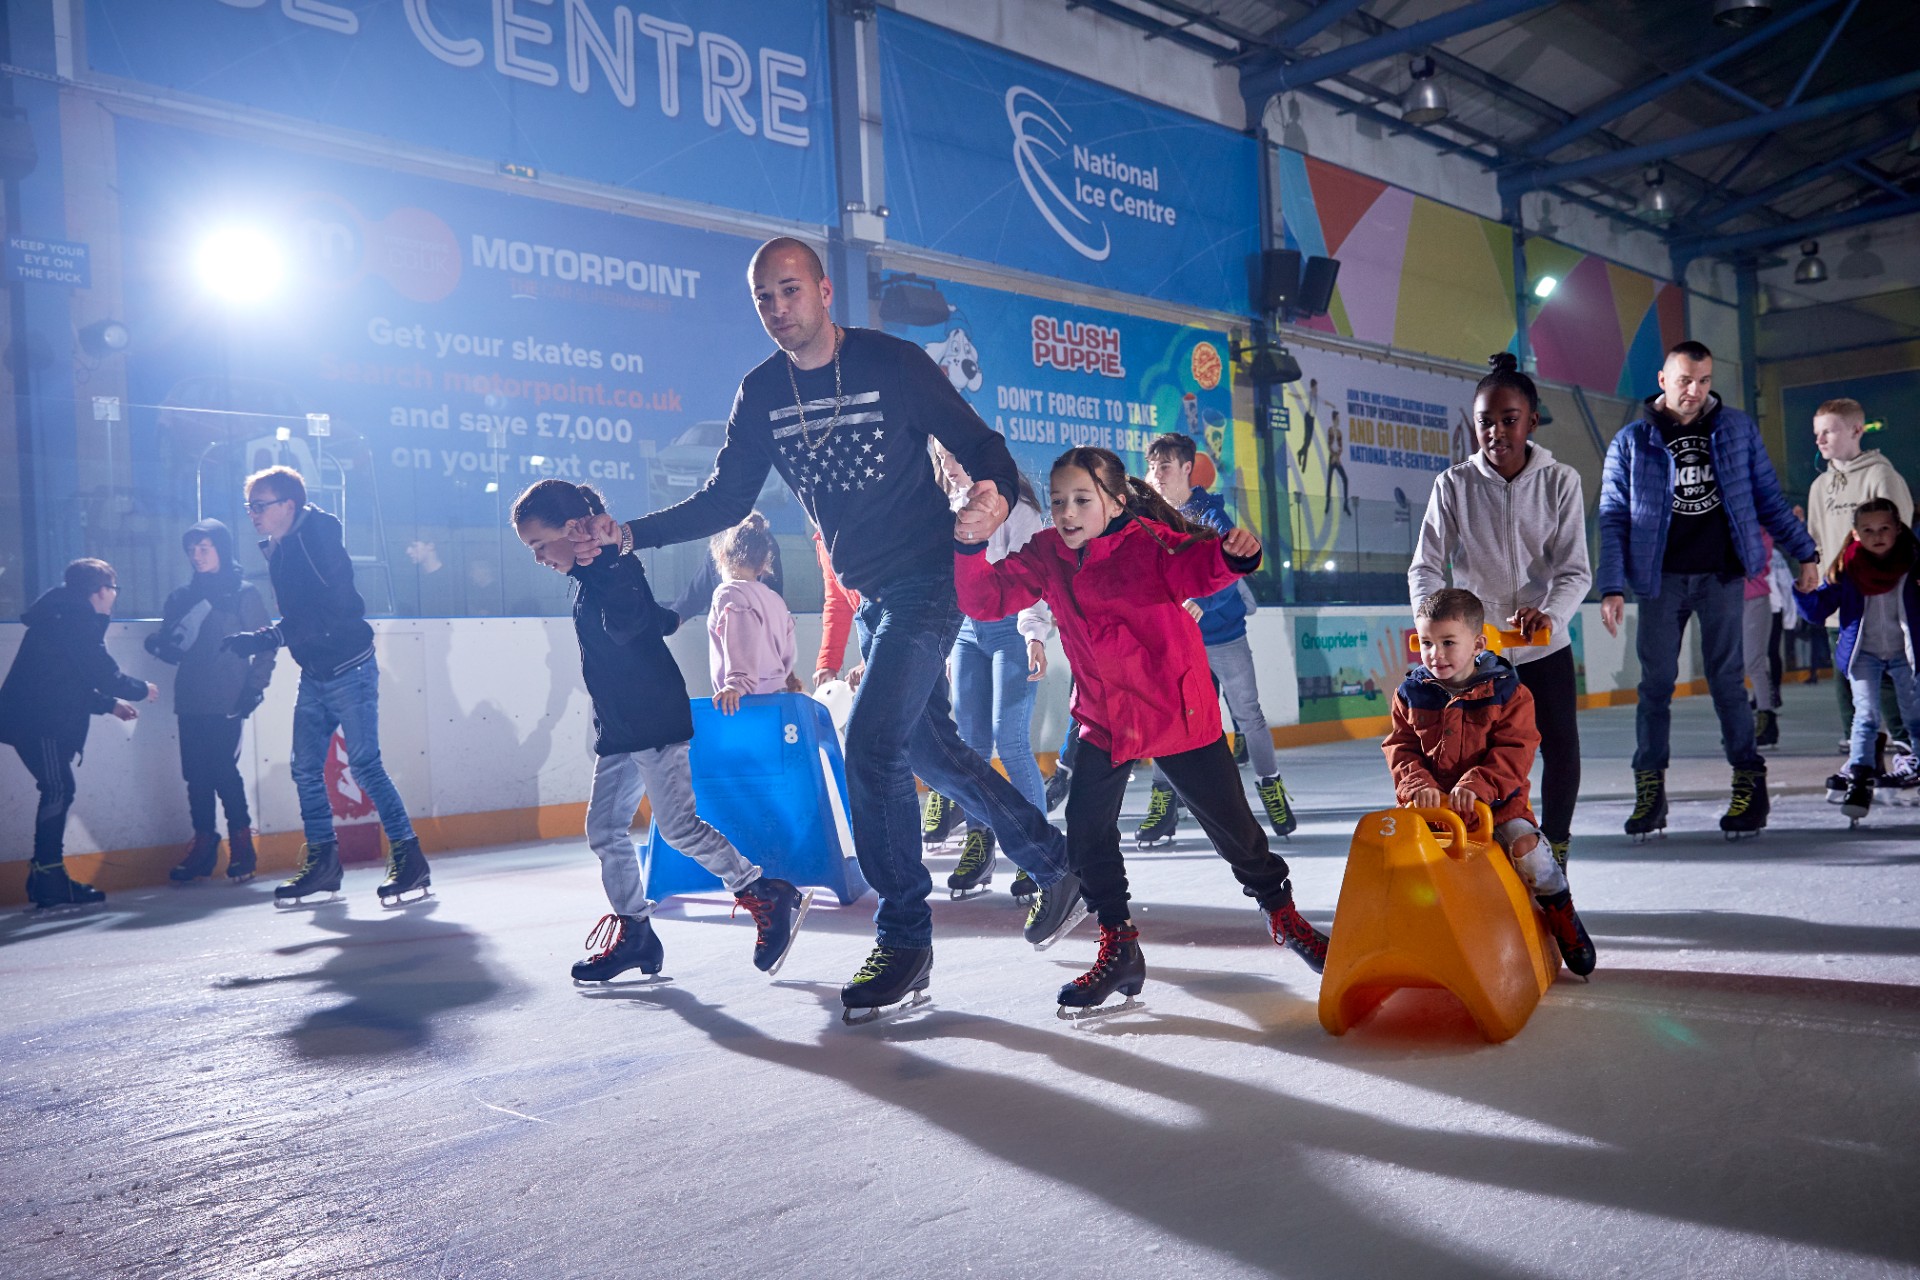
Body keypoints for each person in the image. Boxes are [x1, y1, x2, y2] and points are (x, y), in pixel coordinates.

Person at [566, 236, 1085, 1023]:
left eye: (790, 290)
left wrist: (994, 496)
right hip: (872, 595)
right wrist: (634, 533)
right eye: (764, 299)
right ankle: (1054, 863)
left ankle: (904, 938)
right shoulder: (761, 395)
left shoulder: (893, 364)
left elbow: (983, 445)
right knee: (928, 751)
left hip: (929, 580)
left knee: (871, 745)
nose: (779, 309)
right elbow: (725, 499)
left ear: (823, 291)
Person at [956, 446, 1329, 1016]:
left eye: (1082, 500)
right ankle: (1120, 947)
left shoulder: (1150, 543)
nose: (1067, 512)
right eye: (1058, 501)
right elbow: (986, 598)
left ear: (1115, 502)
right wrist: (968, 544)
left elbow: (1196, 565)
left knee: (1235, 833)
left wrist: (1234, 555)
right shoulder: (1048, 553)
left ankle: (1284, 917)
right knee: (1087, 833)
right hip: (1104, 718)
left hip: (1173, 712)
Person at [512, 480, 811, 980]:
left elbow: (627, 623)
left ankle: (763, 892)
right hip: (620, 729)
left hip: (652, 721)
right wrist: (660, 609)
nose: (539, 558)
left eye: (540, 544)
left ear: (573, 529)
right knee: (605, 830)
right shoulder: (592, 577)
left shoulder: (613, 569)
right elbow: (656, 621)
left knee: (678, 828)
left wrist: (605, 564)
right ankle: (636, 934)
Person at [1597, 341, 1818, 840]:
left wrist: (1805, 553)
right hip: (1660, 580)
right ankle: (1650, 790)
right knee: (1655, 687)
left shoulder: (1736, 429)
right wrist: (1611, 585)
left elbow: (1768, 499)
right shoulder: (1631, 441)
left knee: (1727, 682)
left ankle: (1749, 784)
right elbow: (1612, 517)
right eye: (1684, 381)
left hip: (1721, 575)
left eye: (1703, 381)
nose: (1694, 391)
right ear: (1662, 380)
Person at [1413, 355, 1592, 871]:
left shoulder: (1560, 481)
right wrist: (1439, 628)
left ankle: (1555, 848)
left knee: (1560, 746)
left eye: (1508, 420)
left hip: (1543, 648)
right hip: (1479, 655)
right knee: (1476, 754)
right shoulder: (1453, 485)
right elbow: (1426, 566)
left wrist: (1550, 616)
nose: (1496, 432)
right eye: (1485, 421)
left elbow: (1575, 570)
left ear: (1531, 421)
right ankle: (1479, 844)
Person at [222, 466, 430, 904]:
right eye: (249, 506)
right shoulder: (282, 547)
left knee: (365, 765)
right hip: (315, 672)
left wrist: (268, 638)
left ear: (287, 505)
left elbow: (335, 610)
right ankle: (324, 864)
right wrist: (274, 637)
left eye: (259, 506)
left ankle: (410, 859)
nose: (252, 514)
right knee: (305, 768)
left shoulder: (317, 540)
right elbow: (303, 617)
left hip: (350, 668)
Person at [1384, 589, 1595, 975]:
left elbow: (1516, 750)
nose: (1436, 654)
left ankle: (1560, 908)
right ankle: (1404, 933)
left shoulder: (1509, 694)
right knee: (1393, 853)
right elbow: (1401, 747)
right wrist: (1417, 786)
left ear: (1478, 645)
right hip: (1432, 811)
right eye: (1427, 643)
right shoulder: (1409, 695)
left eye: (1448, 642)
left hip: (1497, 808)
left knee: (1528, 848)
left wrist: (1478, 785)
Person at [1140, 431, 1296, 847]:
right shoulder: (1151, 518)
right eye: (1152, 467)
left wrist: (1201, 603)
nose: (1156, 475)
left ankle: (1271, 786)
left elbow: (1231, 573)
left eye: (1165, 466)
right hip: (1177, 640)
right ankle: (1164, 802)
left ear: (1187, 468)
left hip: (1223, 637)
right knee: (1171, 719)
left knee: (1247, 713)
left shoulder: (1211, 518)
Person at [930, 441, 1051, 901]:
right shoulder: (946, 507)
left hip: (1011, 627)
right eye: (941, 458)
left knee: (1010, 741)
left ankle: (1037, 851)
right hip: (965, 632)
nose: (949, 467)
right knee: (971, 745)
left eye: (954, 455)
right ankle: (979, 844)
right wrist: (945, 643)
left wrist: (1034, 634)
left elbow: (1034, 576)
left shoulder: (1017, 509)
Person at [0, 559, 157, 908]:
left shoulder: (62, 616)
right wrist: (140, 689)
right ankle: (49, 876)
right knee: (58, 788)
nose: (114, 597)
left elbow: (67, 680)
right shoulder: (76, 619)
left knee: (57, 787)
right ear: (100, 591)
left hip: (35, 717)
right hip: (40, 722)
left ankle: (44, 876)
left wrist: (109, 705)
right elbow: (102, 674)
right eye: (113, 589)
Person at [145, 519, 276, 883]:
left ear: (222, 549)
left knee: (223, 771)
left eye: (205, 548)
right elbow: (173, 645)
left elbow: (266, 644)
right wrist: (157, 644)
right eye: (192, 550)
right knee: (195, 776)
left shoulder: (243, 593)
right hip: (190, 697)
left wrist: (255, 688)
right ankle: (204, 845)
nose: (197, 556)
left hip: (228, 698)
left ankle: (242, 845)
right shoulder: (181, 596)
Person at [1795, 499, 1920, 822]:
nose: (1877, 536)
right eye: (1868, 530)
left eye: (1884, 528)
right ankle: (1860, 779)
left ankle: (1916, 765)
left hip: (1906, 654)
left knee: (1915, 715)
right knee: (1865, 717)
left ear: (1897, 529)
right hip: (1864, 654)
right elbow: (1819, 610)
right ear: (1856, 534)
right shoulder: (1847, 568)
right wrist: (1804, 592)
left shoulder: (1913, 564)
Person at [1806, 398, 1913, 753]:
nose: (1820, 440)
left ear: (1856, 430)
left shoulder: (1880, 476)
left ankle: (1904, 738)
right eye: (1817, 433)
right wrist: (1819, 579)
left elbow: (1897, 533)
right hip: (1839, 593)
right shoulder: (1820, 487)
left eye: (1829, 431)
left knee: (1887, 667)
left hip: (1877, 593)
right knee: (1843, 666)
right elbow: (1815, 539)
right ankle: (1857, 741)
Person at [707, 511, 802, 714]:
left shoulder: (729, 594)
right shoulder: (775, 600)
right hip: (777, 697)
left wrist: (737, 684)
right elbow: (787, 651)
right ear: (761, 567)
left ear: (721, 556)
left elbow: (743, 636)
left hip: (746, 701)